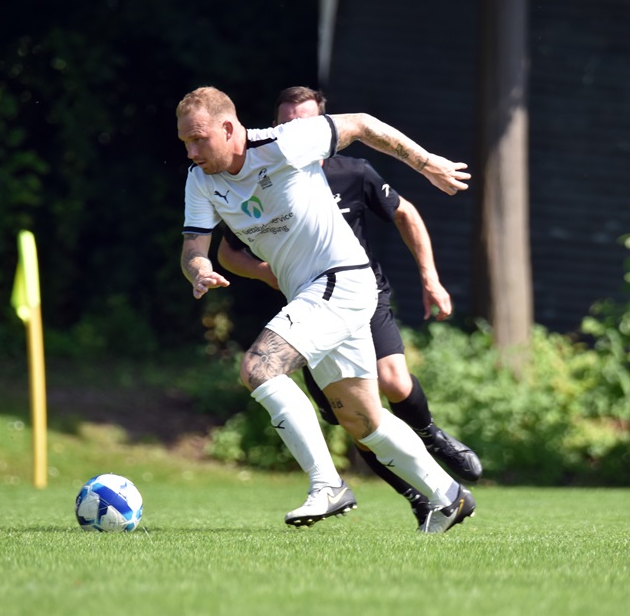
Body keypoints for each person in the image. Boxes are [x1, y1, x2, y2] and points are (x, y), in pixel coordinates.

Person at [177, 86, 474, 533]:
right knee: (362, 420)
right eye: (185, 142)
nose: (192, 151)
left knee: (259, 367)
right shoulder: (200, 180)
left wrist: (425, 162)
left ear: (228, 127)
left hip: (342, 279)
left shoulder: (282, 143)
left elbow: (363, 125)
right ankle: (449, 496)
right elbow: (193, 249)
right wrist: (199, 270)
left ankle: (327, 484)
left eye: (199, 139)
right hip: (313, 294)